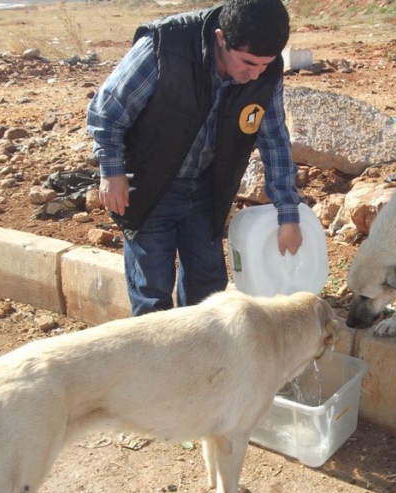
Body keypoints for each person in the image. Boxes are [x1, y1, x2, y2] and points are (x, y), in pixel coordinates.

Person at [87, 0, 302, 316]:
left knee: (208, 292)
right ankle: (158, 365)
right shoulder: (166, 47)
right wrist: (112, 171)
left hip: (206, 191)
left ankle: (199, 364)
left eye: (265, 64)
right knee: (153, 294)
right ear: (220, 38)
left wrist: (288, 212)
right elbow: (107, 112)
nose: (255, 74)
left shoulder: (264, 73)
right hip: (149, 188)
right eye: (248, 63)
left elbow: (275, 142)